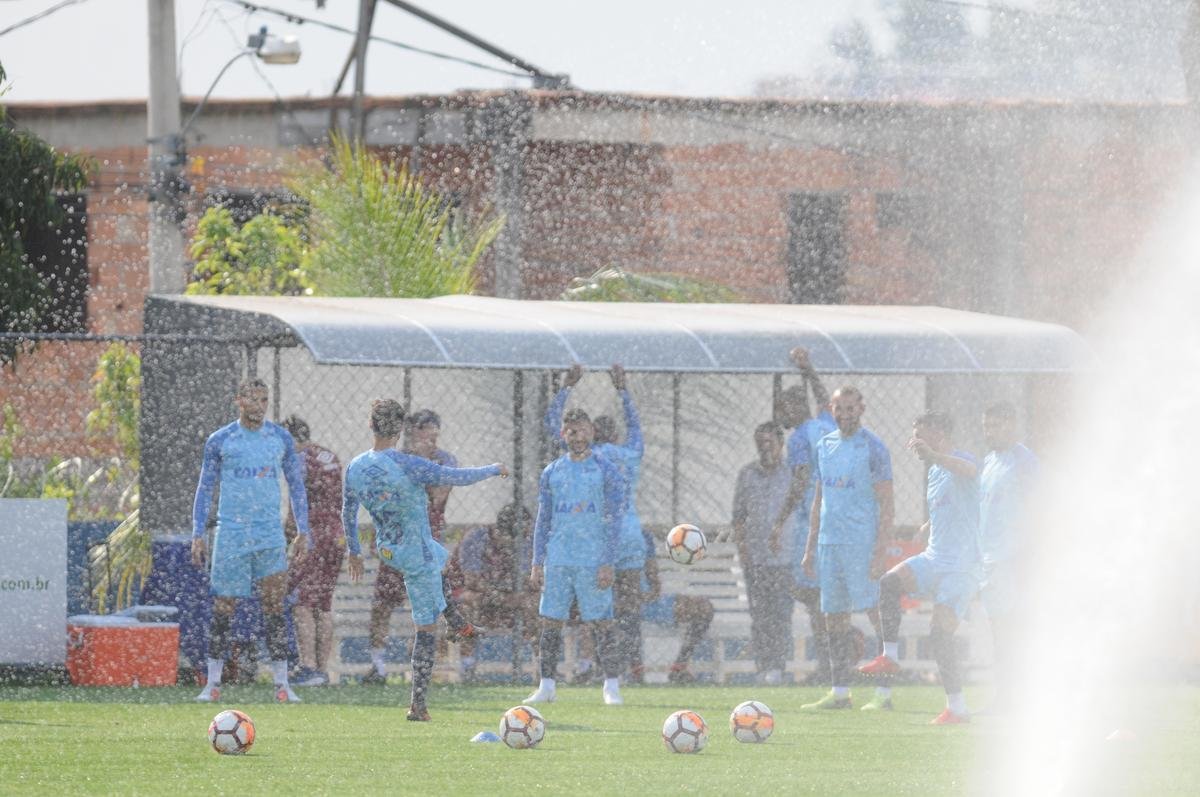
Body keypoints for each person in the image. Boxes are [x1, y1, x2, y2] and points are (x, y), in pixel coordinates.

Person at [342, 399, 507, 721]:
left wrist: (354, 551)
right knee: (426, 627)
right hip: (414, 552)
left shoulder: (356, 466)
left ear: (370, 425)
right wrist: (493, 469)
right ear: (401, 429)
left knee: (440, 559)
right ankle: (417, 705)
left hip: (389, 547)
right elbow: (455, 476)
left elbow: (348, 512)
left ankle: (458, 622)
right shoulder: (409, 464)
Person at [192, 378, 314, 704]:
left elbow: (297, 486)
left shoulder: (280, 438)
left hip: (268, 533)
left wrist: (304, 529)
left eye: (264, 400)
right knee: (224, 607)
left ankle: (282, 685)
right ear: (239, 401)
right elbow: (205, 488)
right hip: (231, 532)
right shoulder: (221, 440)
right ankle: (213, 684)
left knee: (275, 606)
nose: (259, 405)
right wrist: (197, 533)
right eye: (253, 399)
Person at [859, 411, 980, 724]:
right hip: (933, 557)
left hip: (961, 568)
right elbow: (953, 503)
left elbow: (970, 472)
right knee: (888, 583)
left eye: (919, 432)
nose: (914, 440)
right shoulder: (935, 471)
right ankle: (890, 657)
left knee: (939, 636)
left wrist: (935, 455)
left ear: (938, 431)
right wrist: (927, 524)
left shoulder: (959, 459)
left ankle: (958, 708)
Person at [545, 363, 647, 681]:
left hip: (598, 537)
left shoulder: (591, 457)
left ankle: (597, 666)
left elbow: (552, 425)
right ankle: (632, 668)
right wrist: (622, 391)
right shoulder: (627, 454)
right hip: (629, 535)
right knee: (629, 607)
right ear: (614, 434)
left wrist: (566, 386)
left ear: (591, 433)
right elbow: (637, 430)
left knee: (596, 608)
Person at [799, 385, 895, 711]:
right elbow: (819, 498)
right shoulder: (824, 445)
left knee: (875, 614)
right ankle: (840, 692)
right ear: (831, 408)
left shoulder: (873, 448)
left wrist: (880, 550)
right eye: (839, 408)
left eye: (851, 408)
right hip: (830, 543)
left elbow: (887, 503)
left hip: (861, 544)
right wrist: (810, 547)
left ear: (861, 409)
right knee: (834, 618)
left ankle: (884, 694)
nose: (845, 414)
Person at [525, 408, 627, 705]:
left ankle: (611, 684)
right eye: (571, 431)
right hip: (558, 558)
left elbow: (614, 519)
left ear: (592, 432)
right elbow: (543, 520)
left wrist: (608, 560)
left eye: (582, 430)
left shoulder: (606, 470)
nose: (577, 436)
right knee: (550, 620)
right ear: (563, 435)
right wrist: (536, 562)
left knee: (602, 622)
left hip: (593, 559)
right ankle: (547, 685)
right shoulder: (552, 471)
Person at [362, 408, 462, 685]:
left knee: (430, 607)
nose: (429, 437)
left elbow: (437, 499)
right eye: (423, 431)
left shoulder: (444, 460)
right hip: (397, 541)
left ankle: (425, 667)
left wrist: (421, 464)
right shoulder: (396, 459)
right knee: (382, 604)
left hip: (426, 544)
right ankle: (377, 665)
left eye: (433, 432)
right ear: (411, 432)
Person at [769, 346, 836, 686]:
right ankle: (831, 663)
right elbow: (826, 399)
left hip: (814, 524)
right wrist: (808, 369)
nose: (781, 414)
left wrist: (779, 521)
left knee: (809, 597)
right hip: (835, 522)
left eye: (784, 407)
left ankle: (829, 667)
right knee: (820, 597)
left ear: (796, 407)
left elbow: (799, 482)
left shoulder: (799, 438)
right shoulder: (826, 424)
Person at [281, 415, 362, 687]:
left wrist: (291, 531)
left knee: (302, 603)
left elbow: (298, 498)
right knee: (323, 604)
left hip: (314, 535)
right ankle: (323, 669)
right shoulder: (330, 455)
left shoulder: (299, 459)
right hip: (336, 536)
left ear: (291, 438)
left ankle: (308, 667)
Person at [977, 401, 1038, 709]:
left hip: (1013, 558)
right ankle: (1005, 696)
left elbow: (1036, 509)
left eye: (996, 425)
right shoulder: (990, 461)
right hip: (990, 560)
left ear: (1012, 425)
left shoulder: (1024, 462)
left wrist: (1025, 554)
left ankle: (1019, 695)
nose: (989, 431)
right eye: (986, 425)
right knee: (999, 630)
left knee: (1015, 628)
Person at [732, 421, 797, 684]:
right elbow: (738, 517)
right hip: (756, 558)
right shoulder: (747, 474)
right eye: (760, 443)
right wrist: (743, 550)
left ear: (781, 444)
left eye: (769, 442)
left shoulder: (792, 474)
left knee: (781, 614)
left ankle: (778, 667)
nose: (764, 448)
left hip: (784, 558)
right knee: (760, 616)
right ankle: (762, 665)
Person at [444, 503, 538, 682]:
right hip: (476, 596)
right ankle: (468, 666)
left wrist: (517, 596)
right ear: (501, 532)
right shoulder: (477, 538)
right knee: (470, 601)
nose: (524, 539)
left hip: (508, 598)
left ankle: (542, 666)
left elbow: (528, 579)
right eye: (519, 536)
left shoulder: (525, 541)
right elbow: (472, 581)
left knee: (535, 604)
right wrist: (504, 597)